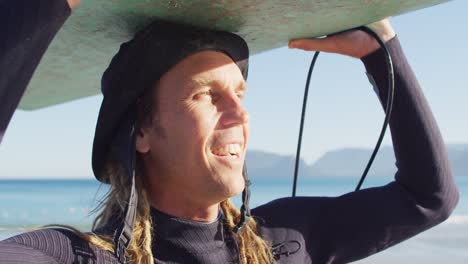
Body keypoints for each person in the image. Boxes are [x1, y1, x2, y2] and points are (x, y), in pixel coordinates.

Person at [0, 1, 459, 263]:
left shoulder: (282, 242)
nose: (239, 114)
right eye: (205, 95)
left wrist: (382, 51)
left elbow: (429, 198)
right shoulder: (75, 258)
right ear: (142, 132)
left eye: (240, 93)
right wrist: (42, 9)